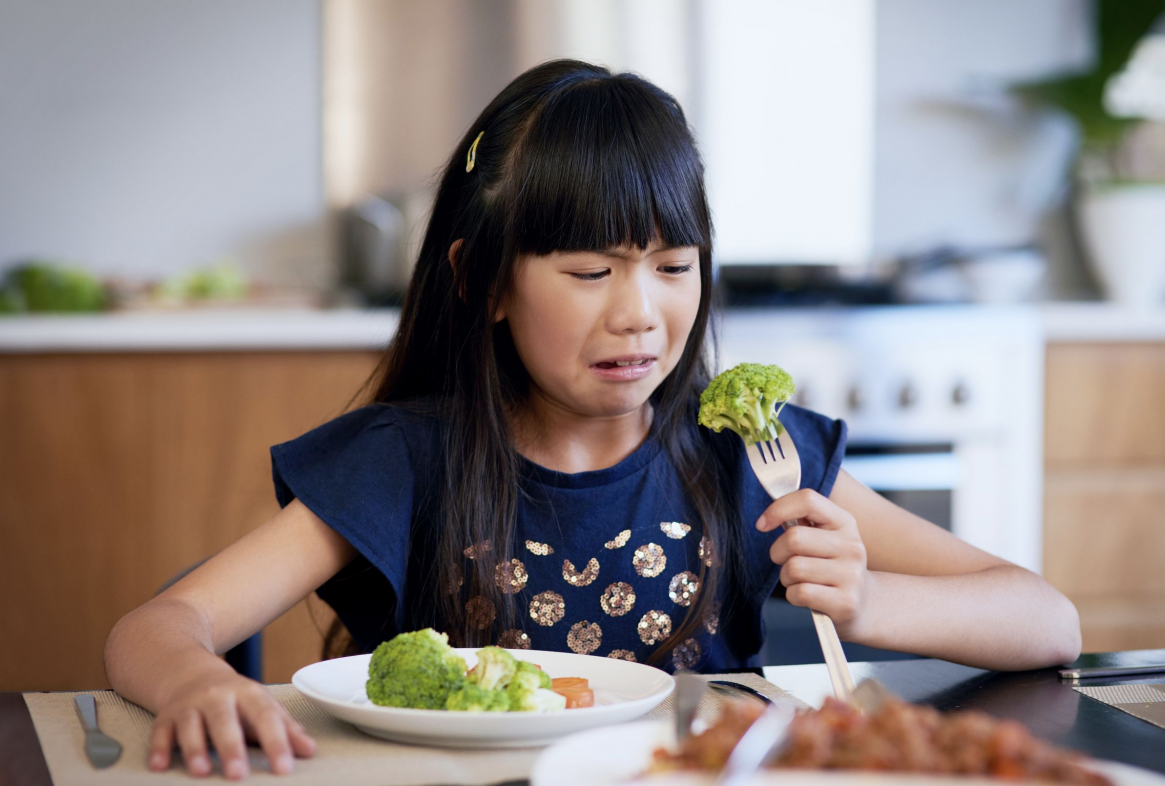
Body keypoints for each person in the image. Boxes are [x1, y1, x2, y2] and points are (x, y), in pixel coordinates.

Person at [104, 59, 1081, 781]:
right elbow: (161, 626)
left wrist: (869, 606)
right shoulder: (406, 460)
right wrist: (195, 684)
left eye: (672, 265)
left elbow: (1048, 622)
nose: (640, 313)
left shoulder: (746, 454)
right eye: (588, 271)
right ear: (480, 282)